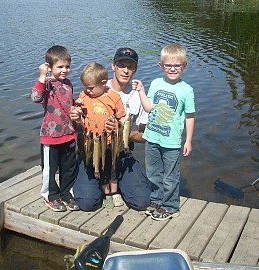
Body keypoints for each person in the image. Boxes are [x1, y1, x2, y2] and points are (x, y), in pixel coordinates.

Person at [70, 47, 151, 211]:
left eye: (130, 66)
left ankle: (117, 183)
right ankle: (98, 184)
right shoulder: (95, 86)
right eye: (121, 65)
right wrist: (76, 119)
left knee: (141, 202)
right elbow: (76, 126)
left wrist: (121, 131)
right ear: (113, 66)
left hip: (120, 153)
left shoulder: (139, 96)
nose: (126, 70)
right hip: (93, 151)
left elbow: (145, 136)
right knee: (87, 203)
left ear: (135, 69)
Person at [134, 43, 195, 221]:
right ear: (161, 65)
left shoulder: (186, 90)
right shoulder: (155, 83)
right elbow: (148, 108)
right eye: (168, 65)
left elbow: (190, 117)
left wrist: (188, 140)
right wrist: (141, 92)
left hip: (171, 141)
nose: (172, 69)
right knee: (153, 172)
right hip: (152, 137)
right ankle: (156, 199)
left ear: (184, 65)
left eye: (177, 65)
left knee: (170, 176)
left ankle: (171, 206)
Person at [31, 45, 79, 212]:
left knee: (69, 167)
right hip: (51, 136)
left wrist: (77, 105)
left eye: (67, 66)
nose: (64, 70)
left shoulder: (68, 83)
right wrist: (42, 76)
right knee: (50, 169)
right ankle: (50, 195)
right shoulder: (47, 84)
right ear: (49, 67)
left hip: (69, 134)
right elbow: (35, 97)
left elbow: (68, 102)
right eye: (60, 67)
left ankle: (66, 193)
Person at [73, 62, 127, 208]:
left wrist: (118, 125)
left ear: (103, 83)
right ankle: (106, 192)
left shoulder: (113, 97)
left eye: (90, 88)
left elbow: (122, 117)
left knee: (113, 167)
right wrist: (76, 109)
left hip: (109, 142)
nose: (87, 91)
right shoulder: (84, 96)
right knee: (100, 168)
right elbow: (79, 113)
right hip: (91, 143)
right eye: (85, 87)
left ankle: (115, 192)